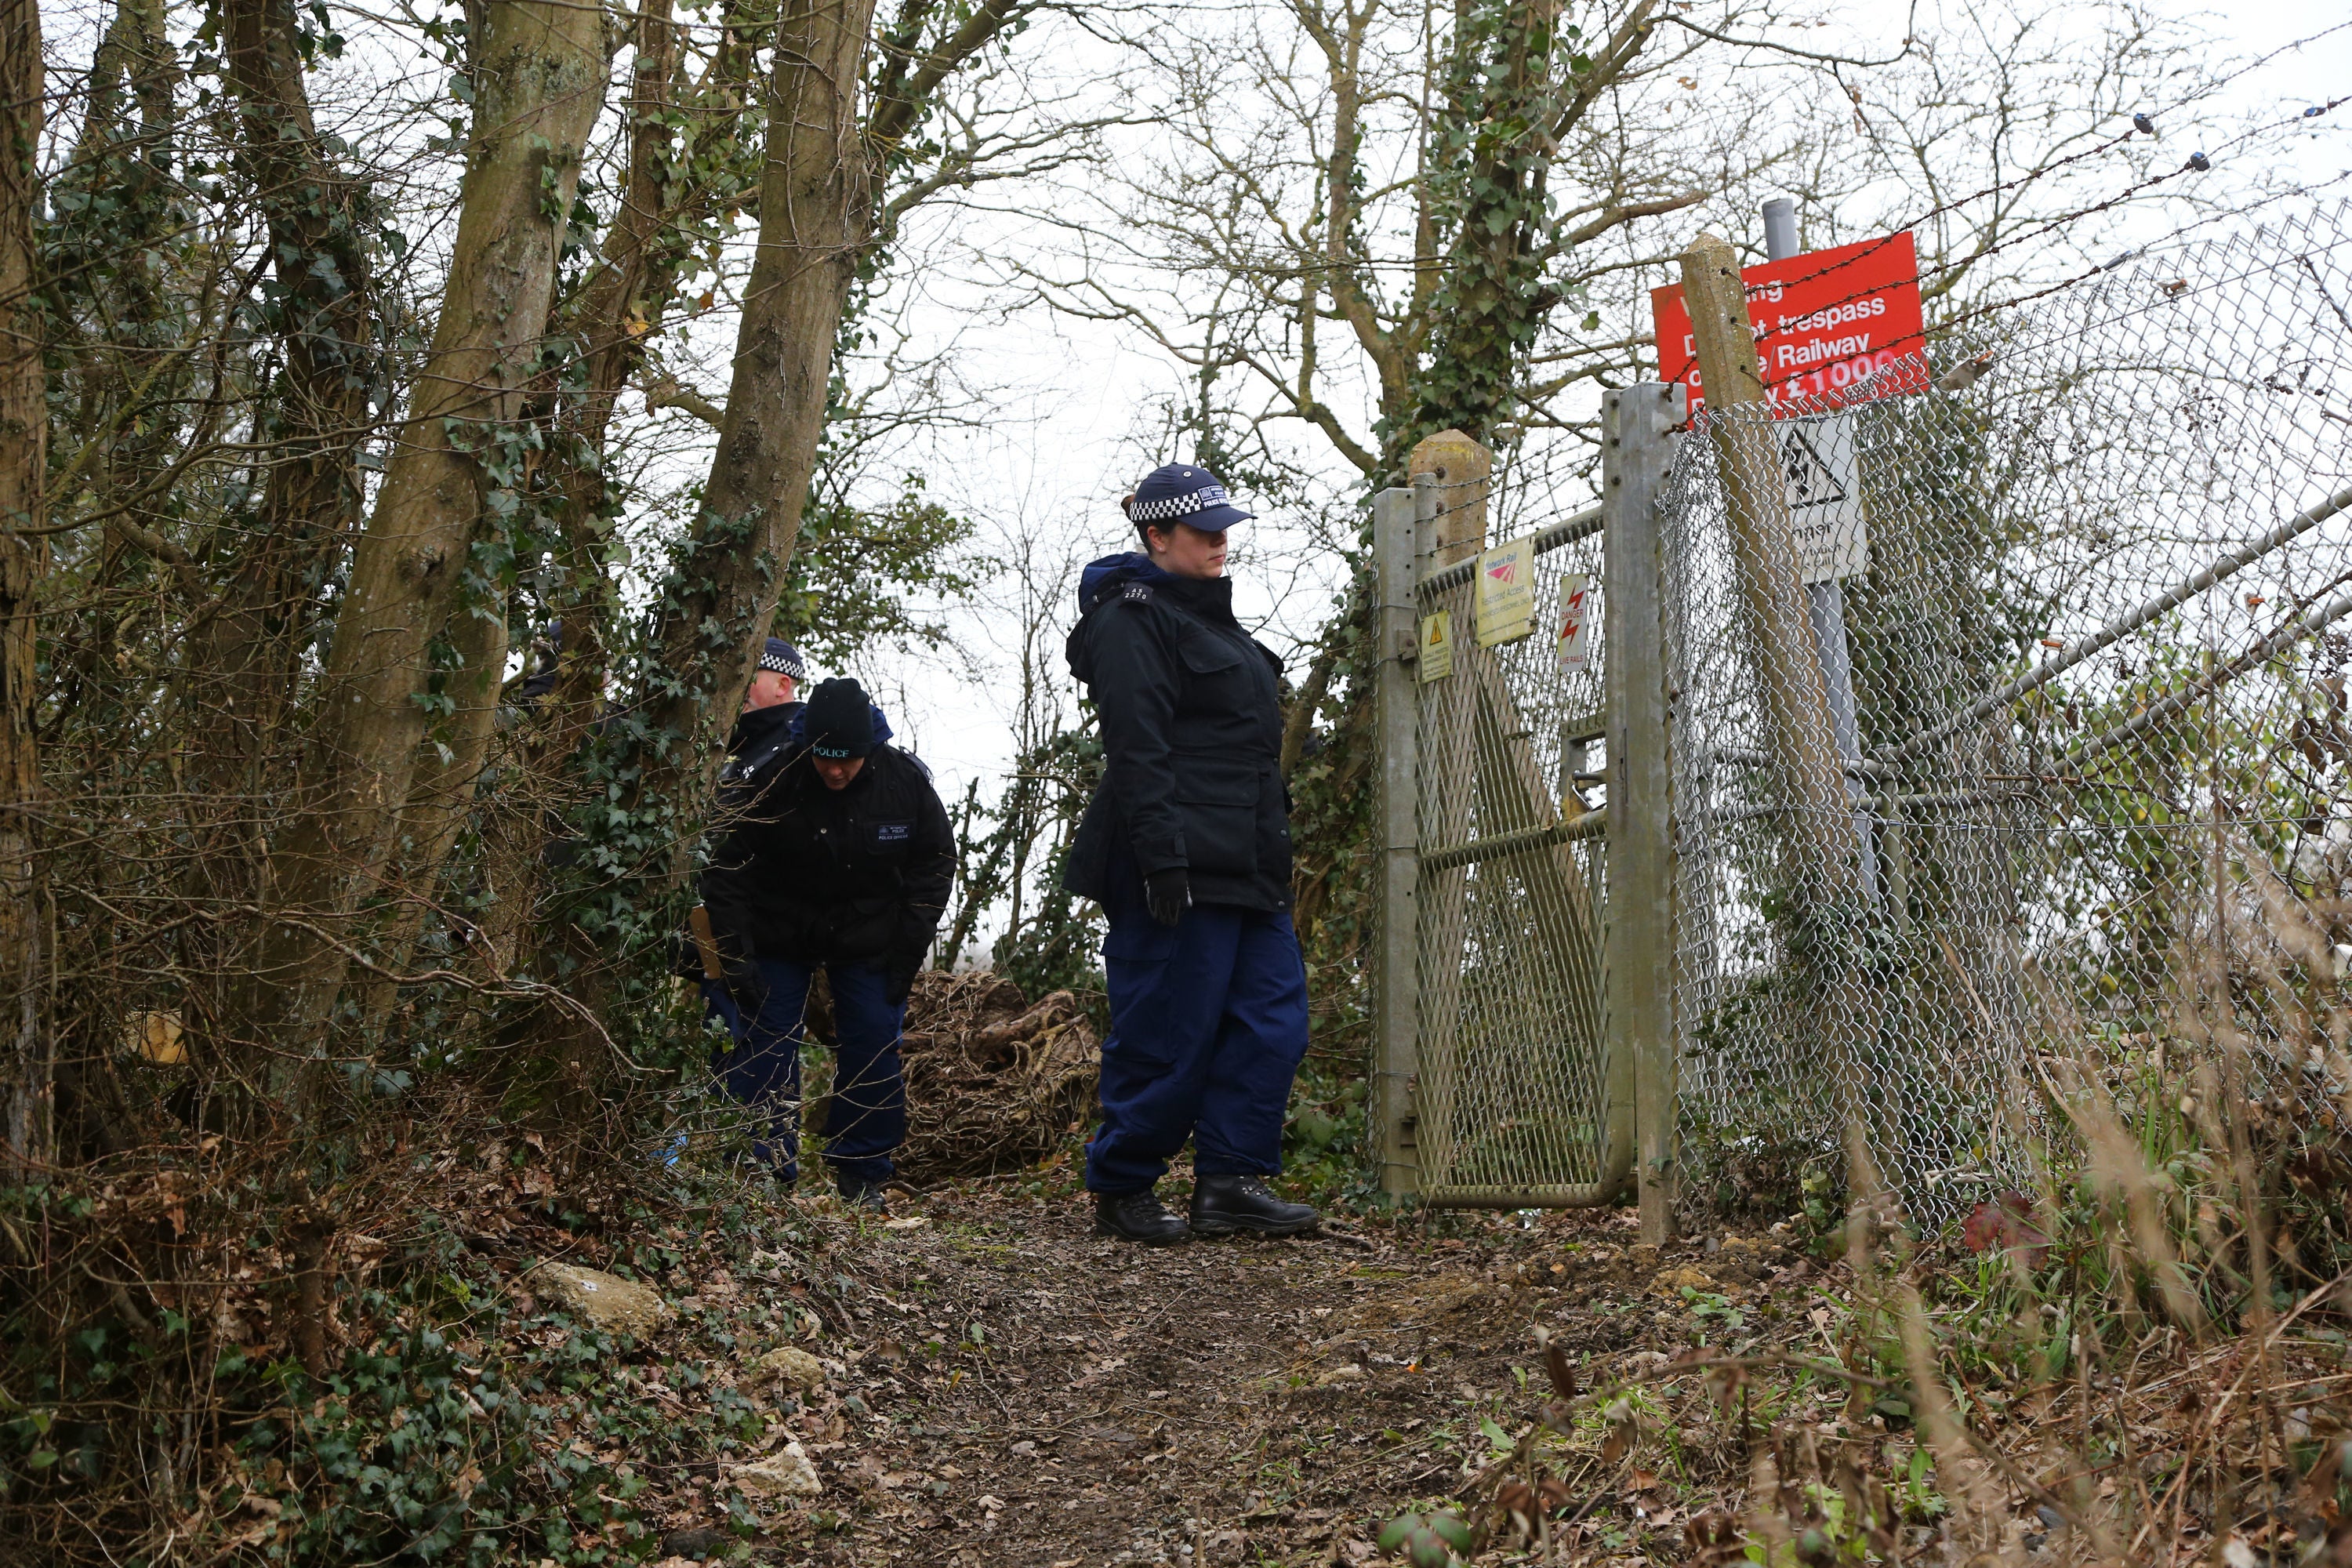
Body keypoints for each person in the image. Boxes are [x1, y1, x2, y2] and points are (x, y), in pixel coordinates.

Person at [1064, 463, 1320, 1245]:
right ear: (1157, 535)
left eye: (1224, 527)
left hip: (1247, 865)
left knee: (1274, 1021)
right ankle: (1124, 1183)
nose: (1219, 540)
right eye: (1203, 530)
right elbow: (1138, 748)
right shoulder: (1129, 618)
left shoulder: (1216, 622)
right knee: (1169, 1028)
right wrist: (1162, 860)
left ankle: (1231, 1181)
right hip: (1172, 865)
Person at [700, 674, 953, 1209]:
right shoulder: (773, 778)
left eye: (849, 760)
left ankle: (861, 1172)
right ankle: (761, 1172)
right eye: (825, 758)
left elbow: (933, 867)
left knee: (873, 1045)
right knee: (766, 1043)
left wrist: (906, 953)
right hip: (780, 930)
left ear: (870, 749)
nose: (835, 770)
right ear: (807, 747)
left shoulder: (904, 782)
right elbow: (726, 871)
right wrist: (735, 956)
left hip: (869, 935)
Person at [691, 637, 809, 1041]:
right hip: (722, 935)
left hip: (768, 943)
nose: (737, 687)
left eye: (749, 677)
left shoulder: (797, 748)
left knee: (758, 1068)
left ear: (782, 684)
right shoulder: (735, 747)